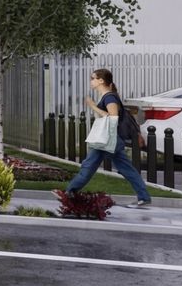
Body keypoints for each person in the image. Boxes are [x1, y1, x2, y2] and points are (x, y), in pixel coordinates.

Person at [65, 68, 151, 208]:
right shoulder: (108, 96)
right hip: (110, 139)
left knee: (89, 165)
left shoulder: (109, 97)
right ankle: (144, 196)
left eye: (93, 78)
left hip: (107, 139)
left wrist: (93, 106)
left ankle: (70, 192)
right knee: (123, 168)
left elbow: (113, 117)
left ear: (101, 81)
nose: (91, 81)